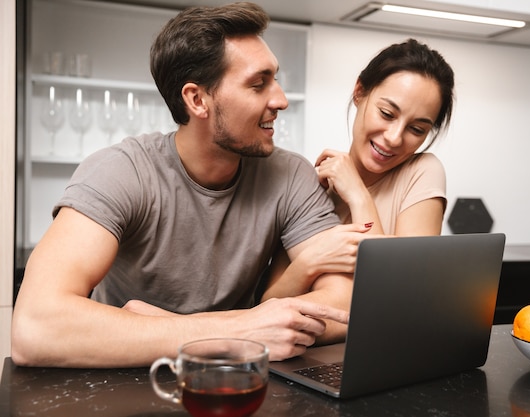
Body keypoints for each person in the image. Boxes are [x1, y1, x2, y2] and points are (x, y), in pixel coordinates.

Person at [11, 2, 369, 368]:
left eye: (275, 80)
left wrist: (190, 332)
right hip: (125, 386)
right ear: (197, 99)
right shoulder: (121, 170)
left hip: (233, 382)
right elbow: (33, 327)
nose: (279, 100)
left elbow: (342, 301)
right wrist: (235, 333)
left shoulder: (291, 175)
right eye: (258, 84)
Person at [262, 38, 455, 301]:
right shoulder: (310, 188)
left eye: (417, 129)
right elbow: (270, 301)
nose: (394, 138)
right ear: (359, 92)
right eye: (387, 114)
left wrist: (357, 194)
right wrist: (310, 262)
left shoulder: (422, 172)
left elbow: (406, 294)